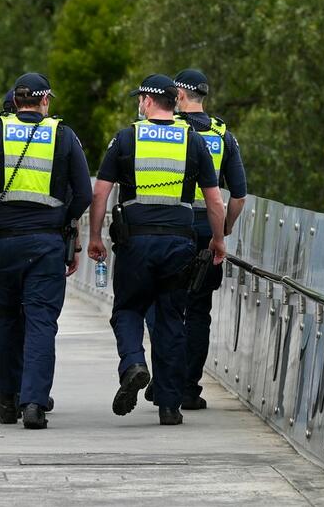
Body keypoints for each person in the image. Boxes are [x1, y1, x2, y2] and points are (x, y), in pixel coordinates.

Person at [0, 73, 92, 430]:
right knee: (41, 321)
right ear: (45, 101)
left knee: (4, 319)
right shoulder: (63, 135)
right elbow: (83, 193)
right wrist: (64, 223)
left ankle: (6, 399)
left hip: (2, 245)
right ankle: (35, 404)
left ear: (16, 99)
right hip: (46, 243)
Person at [87, 74, 226, 426]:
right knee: (170, 320)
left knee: (128, 310)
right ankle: (168, 405)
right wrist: (217, 240)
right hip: (179, 244)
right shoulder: (194, 142)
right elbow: (214, 201)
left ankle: (134, 362)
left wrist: (94, 238)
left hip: (135, 243)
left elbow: (100, 194)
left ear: (148, 102)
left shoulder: (126, 138)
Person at [144, 69, 247, 409]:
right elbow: (239, 197)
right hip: (207, 233)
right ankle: (187, 387)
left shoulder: (169, 131)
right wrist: (225, 230)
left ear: (180, 96)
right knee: (199, 311)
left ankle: (163, 382)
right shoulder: (222, 134)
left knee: (164, 308)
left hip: (172, 229)